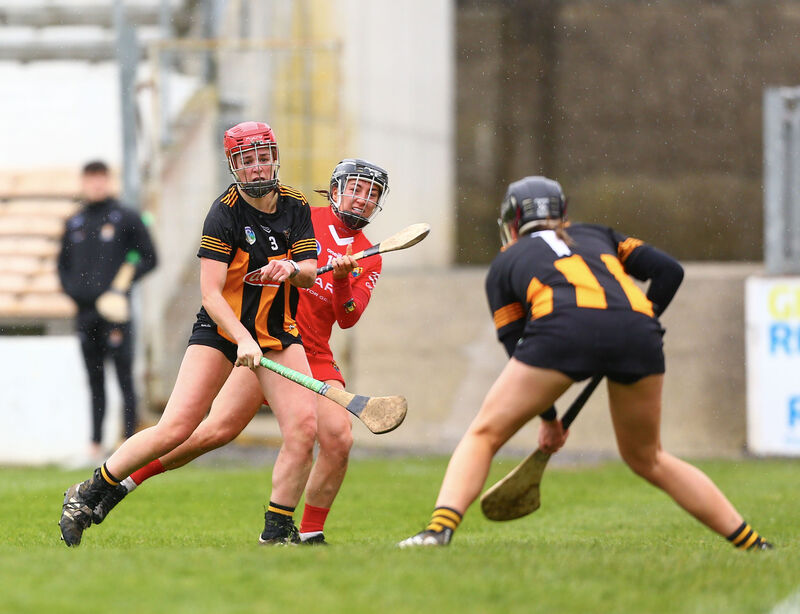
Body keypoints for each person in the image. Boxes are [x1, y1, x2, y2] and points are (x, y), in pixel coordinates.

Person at [398, 175, 772, 551]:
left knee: (485, 434)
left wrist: (549, 419)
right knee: (649, 458)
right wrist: (639, 319)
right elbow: (669, 272)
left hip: (561, 332)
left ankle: (438, 531)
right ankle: (753, 544)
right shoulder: (599, 234)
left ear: (512, 222)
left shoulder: (505, 262)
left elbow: (516, 345)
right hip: (638, 335)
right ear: (562, 212)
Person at [84, 158, 389, 546]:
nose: (363, 199)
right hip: (268, 341)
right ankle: (123, 483)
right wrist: (287, 270)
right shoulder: (301, 216)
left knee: (338, 438)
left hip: (313, 353)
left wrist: (342, 280)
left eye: (372, 193)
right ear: (335, 190)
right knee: (213, 432)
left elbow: (348, 317)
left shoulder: (369, 256)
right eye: (356, 189)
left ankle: (309, 532)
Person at [59, 121, 320, 547]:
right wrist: (242, 338)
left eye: (263, 157)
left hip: (277, 334)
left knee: (304, 430)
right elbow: (211, 294)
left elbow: (308, 272)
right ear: (234, 165)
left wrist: (291, 268)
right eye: (247, 160)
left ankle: (276, 532)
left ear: (275, 157)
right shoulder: (224, 213)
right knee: (177, 427)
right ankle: (88, 492)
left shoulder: (296, 205)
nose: (257, 167)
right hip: (221, 331)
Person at [57, 160, 158, 462]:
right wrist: (77, 295)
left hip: (116, 315)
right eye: (91, 178)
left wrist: (121, 287)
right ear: (83, 182)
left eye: (101, 178)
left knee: (124, 378)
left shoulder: (125, 217)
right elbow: (63, 267)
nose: (96, 184)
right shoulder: (74, 222)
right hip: (86, 315)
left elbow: (150, 257)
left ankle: (128, 446)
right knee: (94, 380)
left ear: (109, 180)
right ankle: (95, 446)